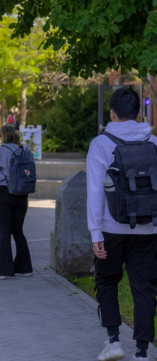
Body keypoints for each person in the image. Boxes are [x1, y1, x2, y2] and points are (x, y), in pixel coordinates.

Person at [88, 88, 157, 361]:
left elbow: (95, 191)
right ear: (139, 113)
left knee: (106, 281)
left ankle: (114, 342)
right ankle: (142, 351)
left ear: (112, 113)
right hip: (150, 228)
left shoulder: (101, 143)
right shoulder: (153, 141)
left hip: (111, 227)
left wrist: (95, 232)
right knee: (144, 287)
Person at [0, 125, 32, 280]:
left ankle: (3, 270)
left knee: (5, 231)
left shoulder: (0, 150)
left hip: (4, 192)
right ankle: (24, 268)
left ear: (3, 135)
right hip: (22, 193)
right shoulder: (26, 150)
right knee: (18, 231)